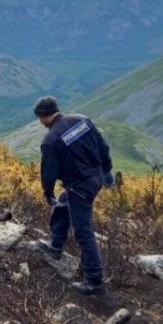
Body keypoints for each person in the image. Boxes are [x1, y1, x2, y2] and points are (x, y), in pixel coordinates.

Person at [33, 96, 116, 295]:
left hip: (80, 187)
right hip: (95, 177)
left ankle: (94, 282)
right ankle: (56, 245)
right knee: (63, 201)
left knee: (83, 232)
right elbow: (103, 146)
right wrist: (107, 171)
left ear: (43, 117)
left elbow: (48, 172)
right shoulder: (82, 120)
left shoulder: (51, 140)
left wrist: (47, 193)